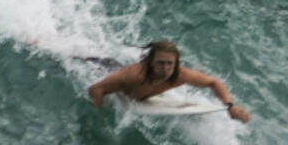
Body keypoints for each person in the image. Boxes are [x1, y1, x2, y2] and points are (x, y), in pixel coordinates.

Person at [88, 40, 252, 123]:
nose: (165, 68)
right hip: (100, 69)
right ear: (151, 62)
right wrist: (100, 116)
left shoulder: (181, 75)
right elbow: (96, 89)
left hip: (135, 92)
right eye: (160, 63)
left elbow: (213, 82)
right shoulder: (135, 75)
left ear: (176, 63)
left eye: (170, 63)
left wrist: (229, 105)